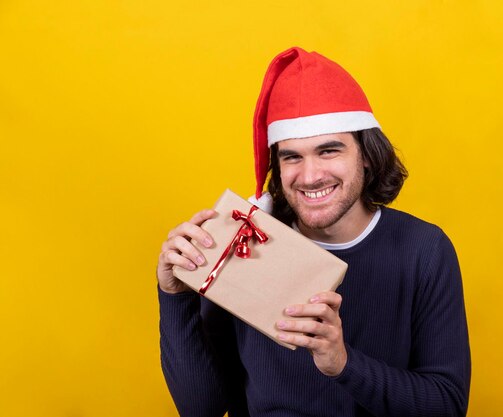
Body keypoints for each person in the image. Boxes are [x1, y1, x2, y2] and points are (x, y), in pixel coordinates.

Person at [157, 47, 471, 417]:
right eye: (292, 156)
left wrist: (342, 363)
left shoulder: (424, 250)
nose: (309, 177)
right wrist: (174, 296)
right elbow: (202, 408)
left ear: (367, 154)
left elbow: (447, 406)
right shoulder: (244, 246)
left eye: (328, 151)